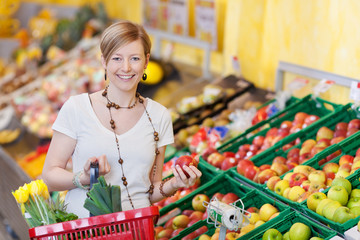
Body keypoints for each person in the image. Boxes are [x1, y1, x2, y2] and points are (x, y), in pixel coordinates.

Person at [42, 20, 202, 218]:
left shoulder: (159, 117)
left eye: (134, 58)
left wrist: (175, 184)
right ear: (104, 61)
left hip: (136, 229)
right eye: (117, 58)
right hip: (83, 230)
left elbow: (150, 191)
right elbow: (49, 176)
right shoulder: (77, 108)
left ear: (146, 61)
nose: (126, 68)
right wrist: (84, 178)